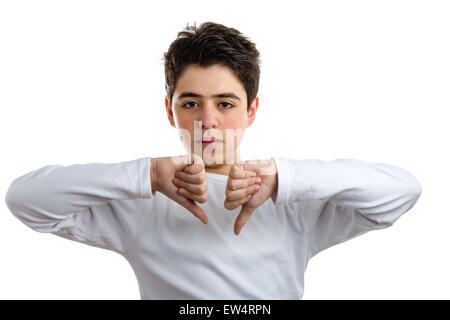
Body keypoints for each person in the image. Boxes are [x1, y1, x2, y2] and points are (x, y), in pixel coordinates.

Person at [4, 21, 422, 299]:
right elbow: (26, 200)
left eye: (225, 103)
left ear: (251, 111)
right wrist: (148, 174)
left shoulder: (293, 202)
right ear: (170, 112)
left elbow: (401, 192)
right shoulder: (140, 205)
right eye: (191, 103)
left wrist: (284, 179)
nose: (207, 121)